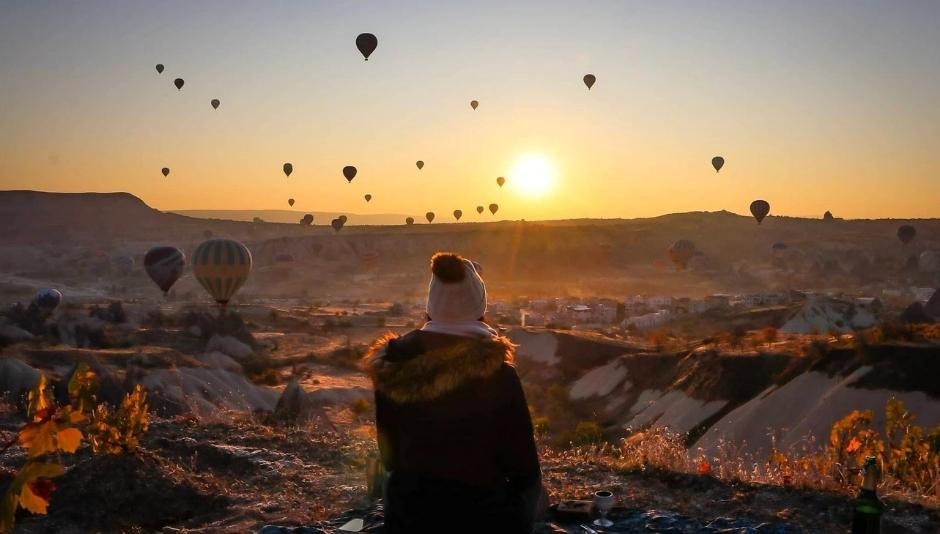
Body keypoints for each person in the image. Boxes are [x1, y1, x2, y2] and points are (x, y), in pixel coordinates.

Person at [362, 252, 543, 533]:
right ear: (480, 307)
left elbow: (390, 458)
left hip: (410, 518)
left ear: (430, 307)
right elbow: (524, 468)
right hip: (483, 519)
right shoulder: (498, 375)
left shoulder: (392, 367)